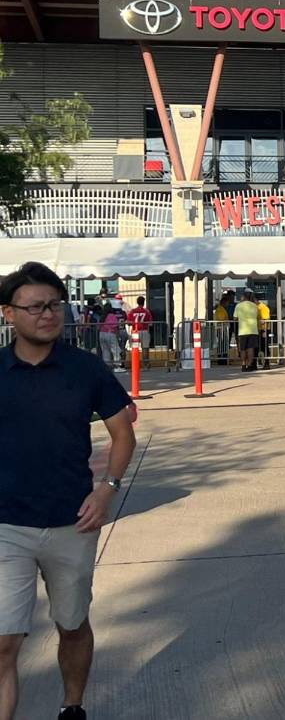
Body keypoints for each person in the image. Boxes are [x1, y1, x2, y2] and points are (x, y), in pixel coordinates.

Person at [0, 262, 136, 720]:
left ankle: (71, 706)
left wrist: (106, 489)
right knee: (3, 642)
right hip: (6, 525)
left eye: (54, 305)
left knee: (73, 626)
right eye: (35, 307)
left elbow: (123, 434)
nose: (47, 314)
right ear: (8, 313)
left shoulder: (86, 368)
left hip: (73, 523)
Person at [234, 289, 261, 373]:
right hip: (253, 330)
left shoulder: (239, 306)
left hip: (242, 330)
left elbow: (235, 318)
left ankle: (243, 365)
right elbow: (258, 316)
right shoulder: (254, 306)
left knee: (243, 349)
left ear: (243, 297)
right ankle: (249, 365)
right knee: (250, 349)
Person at [96, 301, 123, 373]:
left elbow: (98, 326)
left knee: (105, 350)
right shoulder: (112, 316)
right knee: (115, 350)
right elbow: (116, 326)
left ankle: (107, 366)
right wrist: (118, 336)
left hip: (101, 334)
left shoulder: (102, 316)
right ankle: (117, 366)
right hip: (110, 333)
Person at [126, 295, 153, 365]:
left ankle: (135, 364)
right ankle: (146, 364)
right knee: (145, 348)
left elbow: (128, 323)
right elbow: (150, 323)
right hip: (144, 330)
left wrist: (133, 323)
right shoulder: (146, 311)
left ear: (137, 302)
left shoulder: (132, 311)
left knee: (135, 348)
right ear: (143, 302)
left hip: (135, 332)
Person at [256, 292, 272, 370]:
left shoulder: (263, 307)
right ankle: (259, 361)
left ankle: (266, 363)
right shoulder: (255, 307)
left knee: (264, 347)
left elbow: (266, 320)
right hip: (257, 330)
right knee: (258, 347)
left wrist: (265, 331)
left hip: (263, 330)